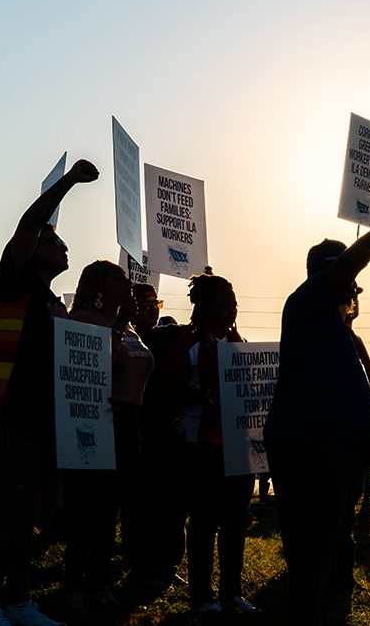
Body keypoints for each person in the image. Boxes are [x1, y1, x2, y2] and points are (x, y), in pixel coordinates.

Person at [262, 202, 370, 625]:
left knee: (327, 545)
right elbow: (347, 266)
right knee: (312, 546)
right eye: (350, 283)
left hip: (336, 449)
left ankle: (317, 612)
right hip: (310, 443)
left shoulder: (340, 332)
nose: (355, 293)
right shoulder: (307, 301)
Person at [0, 158, 99, 626]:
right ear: (32, 247)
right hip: (7, 415)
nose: (64, 248)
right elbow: (30, 221)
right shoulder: (13, 284)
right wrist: (69, 182)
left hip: (41, 421)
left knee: (26, 521)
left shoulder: (53, 304)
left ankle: (18, 603)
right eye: (55, 240)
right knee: (8, 519)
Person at [161, 272, 258, 614]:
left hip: (239, 446)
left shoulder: (241, 346)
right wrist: (199, 395)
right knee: (204, 519)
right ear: (204, 307)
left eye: (233, 303)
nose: (231, 310)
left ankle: (232, 593)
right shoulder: (187, 345)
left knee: (234, 520)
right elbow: (165, 392)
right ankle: (202, 597)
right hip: (199, 442)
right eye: (223, 304)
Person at [59, 260, 153, 614]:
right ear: (98, 287)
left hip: (129, 423)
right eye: (118, 278)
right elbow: (96, 364)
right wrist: (115, 326)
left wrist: (122, 325)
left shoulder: (130, 329)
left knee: (108, 510)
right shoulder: (84, 320)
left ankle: (97, 586)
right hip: (96, 423)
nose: (127, 283)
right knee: (85, 509)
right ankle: (71, 587)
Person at [127, 283, 189, 588]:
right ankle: (143, 570)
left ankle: (168, 565)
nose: (152, 309)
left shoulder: (166, 336)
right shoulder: (125, 340)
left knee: (174, 506)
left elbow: (195, 328)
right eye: (145, 304)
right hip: (140, 434)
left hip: (168, 435)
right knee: (142, 506)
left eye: (156, 304)